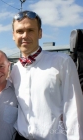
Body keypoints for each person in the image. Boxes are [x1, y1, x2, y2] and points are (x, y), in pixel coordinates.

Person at [11, 10, 83, 139]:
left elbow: (74, 111)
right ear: (13, 35)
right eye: (20, 31)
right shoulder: (14, 69)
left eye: (30, 30)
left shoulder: (62, 62)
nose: (25, 35)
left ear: (40, 33)